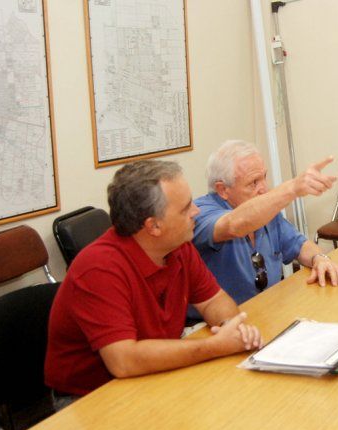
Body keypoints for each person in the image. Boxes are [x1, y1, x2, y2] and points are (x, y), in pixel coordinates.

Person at [45, 161, 262, 407]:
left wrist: (229, 327)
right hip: (89, 398)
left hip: (151, 375)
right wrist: (214, 346)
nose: (196, 212)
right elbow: (123, 361)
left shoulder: (177, 245)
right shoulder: (98, 268)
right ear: (154, 226)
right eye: (185, 208)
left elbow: (213, 300)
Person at [192, 140, 338, 318]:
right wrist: (293, 188)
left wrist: (320, 258)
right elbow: (234, 225)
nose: (264, 189)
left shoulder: (265, 212)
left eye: (264, 177)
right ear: (223, 189)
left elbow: (299, 244)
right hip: (219, 324)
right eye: (253, 182)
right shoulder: (200, 213)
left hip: (267, 312)